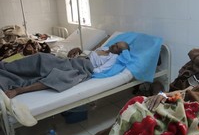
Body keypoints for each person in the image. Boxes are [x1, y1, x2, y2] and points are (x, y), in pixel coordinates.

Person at [1, 41, 130, 99]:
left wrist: (84, 68)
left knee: (58, 78)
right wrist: (80, 50)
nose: (114, 46)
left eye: (118, 47)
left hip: (83, 69)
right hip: (75, 60)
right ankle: (6, 67)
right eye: (116, 43)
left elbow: (99, 70)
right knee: (42, 58)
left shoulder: (113, 58)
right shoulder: (105, 47)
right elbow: (90, 53)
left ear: (120, 52)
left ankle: (19, 90)